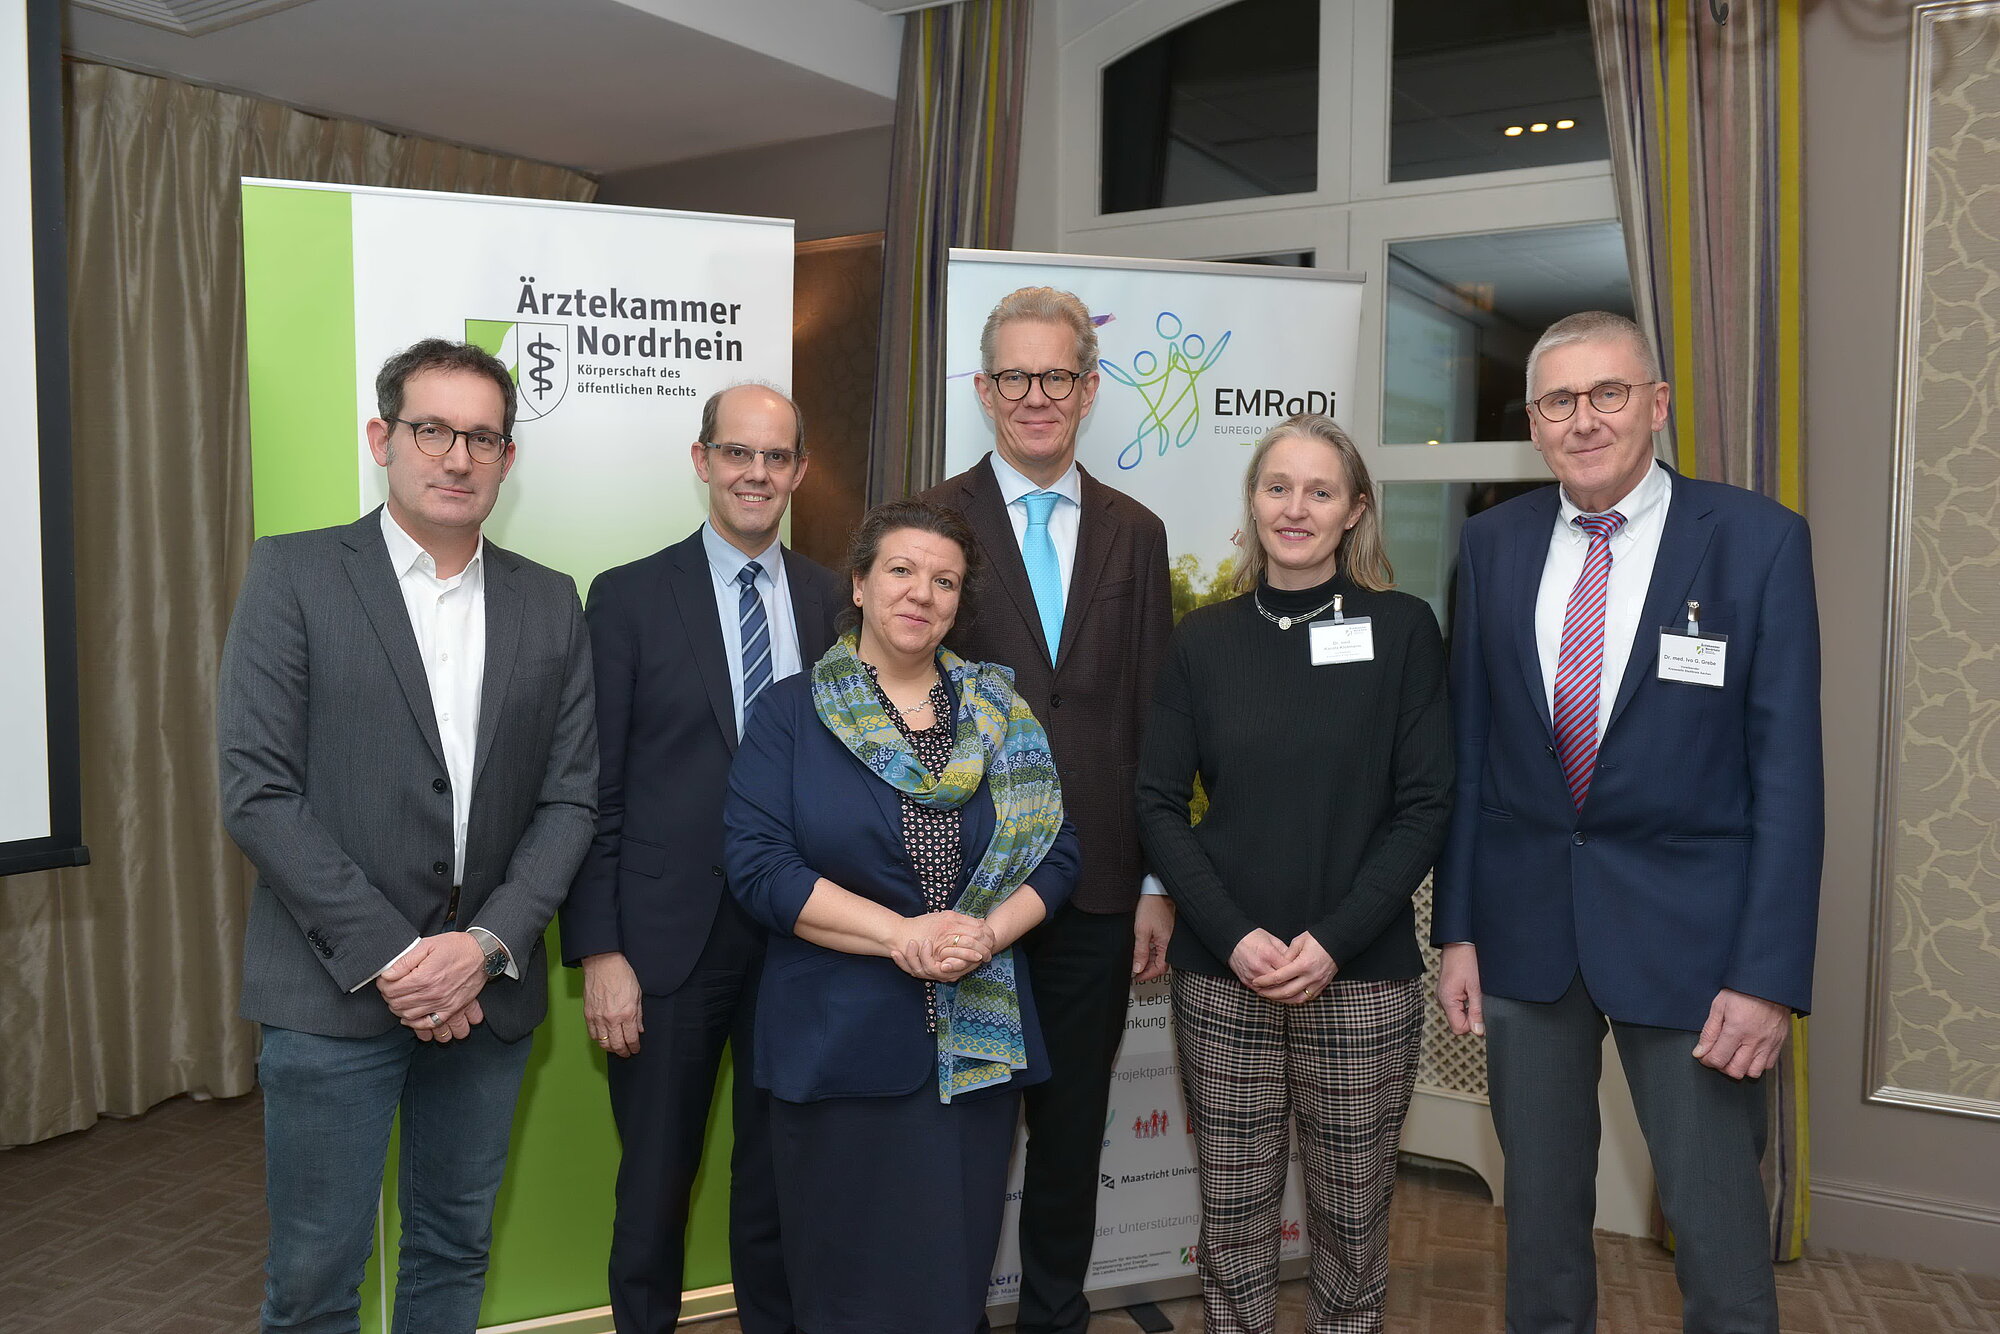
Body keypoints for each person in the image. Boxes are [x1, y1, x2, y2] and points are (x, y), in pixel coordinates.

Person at [1433, 311, 1823, 1334]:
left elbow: (1788, 779)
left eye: (1607, 392)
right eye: (1558, 400)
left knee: (1716, 1227)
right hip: (1523, 936)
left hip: (1695, 949)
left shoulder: (1754, 541)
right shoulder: (1489, 544)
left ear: (1653, 404)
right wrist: (1457, 928)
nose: (1584, 418)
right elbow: (1468, 753)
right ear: (1532, 422)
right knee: (1540, 1226)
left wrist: (1765, 974)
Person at [219, 338, 597, 1333]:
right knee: (313, 1278)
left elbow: (570, 799)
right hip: (329, 987)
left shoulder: (548, 599)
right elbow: (257, 790)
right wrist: (400, 958)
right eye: (433, 429)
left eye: (482, 436)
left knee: (451, 1246)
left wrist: (478, 947)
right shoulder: (295, 574)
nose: (458, 456)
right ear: (383, 437)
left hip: (489, 990)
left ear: (507, 458)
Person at [723, 498, 1081, 1334]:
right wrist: (902, 935)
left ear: (960, 602)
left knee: (948, 1285)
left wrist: (988, 934)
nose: (923, 593)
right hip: (836, 1053)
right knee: (841, 1288)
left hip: (975, 1055)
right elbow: (761, 868)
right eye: (902, 570)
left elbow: (1056, 853)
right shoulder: (790, 714)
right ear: (859, 584)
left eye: (945, 580)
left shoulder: (1000, 712)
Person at [1135, 414, 1452, 1333]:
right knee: (1232, 1222)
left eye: (1320, 490)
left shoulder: (1401, 631)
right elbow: (1158, 801)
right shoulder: (1203, 640)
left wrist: (1335, 940)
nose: (1296, 508)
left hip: (1360, 977)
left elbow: (1426, 804)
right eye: (1278, 487)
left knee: (1352, 1223)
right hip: (1222, 974)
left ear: (1355, 509)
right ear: (1254, 503)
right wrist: (1233, 936)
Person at [919, 286, 1174, 1334]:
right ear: (982, 390)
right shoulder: (930, 524)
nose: (1036, 396)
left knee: (1071, 1132)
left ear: (1088, 387)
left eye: (1055, 376)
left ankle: (1052, 1317)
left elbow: (1153, 713)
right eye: (1014, 377)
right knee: (967, 1128)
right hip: (969, 891)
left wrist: (1156, 881)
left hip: (1103, 888)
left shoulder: (1136, 531)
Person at [560, 383, 840, 1334]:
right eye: (737, 454)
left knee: (780, 1180)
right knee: (653, 1188)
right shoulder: (630, 596)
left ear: (799, 471)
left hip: (803, 939)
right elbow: (593, 789)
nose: (755, 474)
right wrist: (601, 951)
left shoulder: (835, 598)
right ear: (702, 460)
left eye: (775, 457)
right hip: (665, 945)